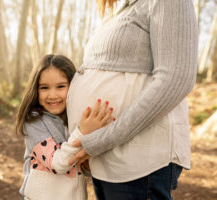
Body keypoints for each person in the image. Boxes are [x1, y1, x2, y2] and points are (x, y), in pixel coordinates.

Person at [67, 0, 198, 199]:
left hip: (138, 161)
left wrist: (102, 139)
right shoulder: (123, 8)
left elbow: (176, 78)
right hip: (109, 156)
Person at [16, 54, 114, 200]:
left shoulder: (74, 119)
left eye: (61, 86)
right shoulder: (33, 122)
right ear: (36, 90)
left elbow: (83, 168)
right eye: (44, 88)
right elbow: (58, 164)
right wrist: (83, 132)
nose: (52, 95)